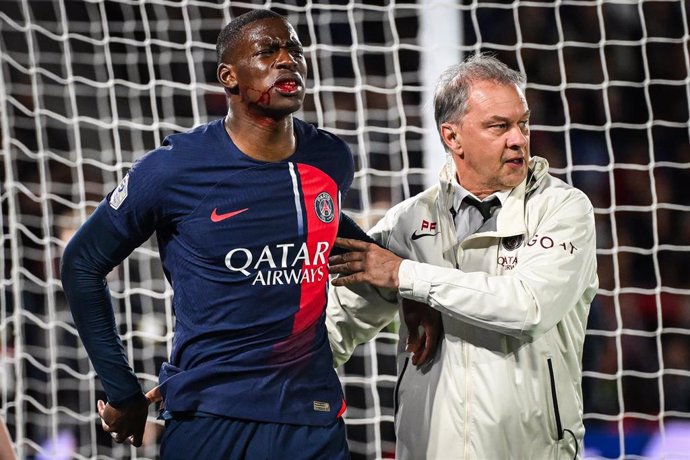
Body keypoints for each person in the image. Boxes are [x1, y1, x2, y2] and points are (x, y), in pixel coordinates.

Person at [61, 9, 375, 459]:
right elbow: (81, 263)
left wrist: (412, 293)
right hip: (210, 419)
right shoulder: (173, 169)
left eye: (295, 50)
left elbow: (328, 230)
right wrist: (121, 389)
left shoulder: (329, 158)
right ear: (228, 76)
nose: (288, 60)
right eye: (268, 51)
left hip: (313, 417)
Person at [326, 53, 599, 459]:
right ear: (452, 137)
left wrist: (408, 277)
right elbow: (335, 328)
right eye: (499, 126)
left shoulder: (563, 208)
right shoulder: (407, 222)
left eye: (523, 123)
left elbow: (528, 307)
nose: (519, 139)